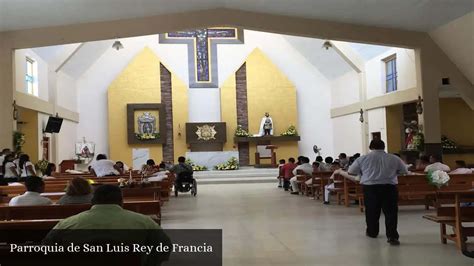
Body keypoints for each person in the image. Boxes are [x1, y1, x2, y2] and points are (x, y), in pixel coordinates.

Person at [348, 139, 408, 246]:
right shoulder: (394, 158)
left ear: (370, 147)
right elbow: (404, 171)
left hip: (370, 188)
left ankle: (372, 232)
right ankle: (392, 236)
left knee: (371, 211)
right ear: (384, 146)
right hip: (389, 187)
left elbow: (351, 171)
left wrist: (364, 172)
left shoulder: (363, 158)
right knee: (391, 212)